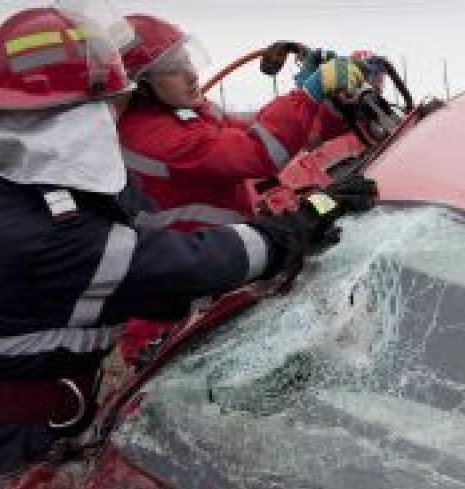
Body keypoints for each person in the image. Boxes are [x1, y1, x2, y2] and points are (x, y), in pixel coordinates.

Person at [0, 6, 370, 489]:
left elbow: (235, 145)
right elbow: (188, 264)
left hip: (31, 428)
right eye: (108, 107)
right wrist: (301, 223)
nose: (113, 121)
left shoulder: (33, 200)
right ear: (78, 119)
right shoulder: (54, 233)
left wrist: (318, 105)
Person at [116, 14, 366, 361]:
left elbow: (258, 133)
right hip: (174, 322)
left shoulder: (185, 116)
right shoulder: (155, 138)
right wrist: (308, 94)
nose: (191, 74)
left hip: (213, 281)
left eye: (187, 59)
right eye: (173, 69)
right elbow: (259, 153)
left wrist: (327, 106)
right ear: (141, 85)